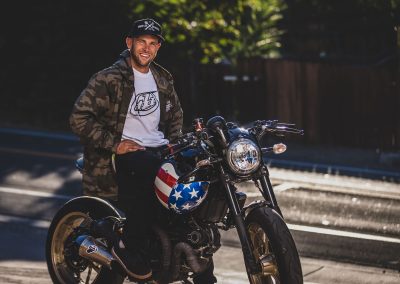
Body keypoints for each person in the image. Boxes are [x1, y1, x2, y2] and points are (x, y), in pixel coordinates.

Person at [70, 19, 216, 283]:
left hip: (158, 149)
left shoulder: (162, 77)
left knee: (200, 176)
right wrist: (115, 144)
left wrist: (180, 148)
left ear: (158, 47)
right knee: (154, 173)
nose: (146, 48)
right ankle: (128, 248)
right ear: (129, 43)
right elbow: (79, 118)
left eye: (152, 43)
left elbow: (175, 118)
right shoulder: (108, 78)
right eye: (141, 42)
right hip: (122, 155)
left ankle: (195, 257)